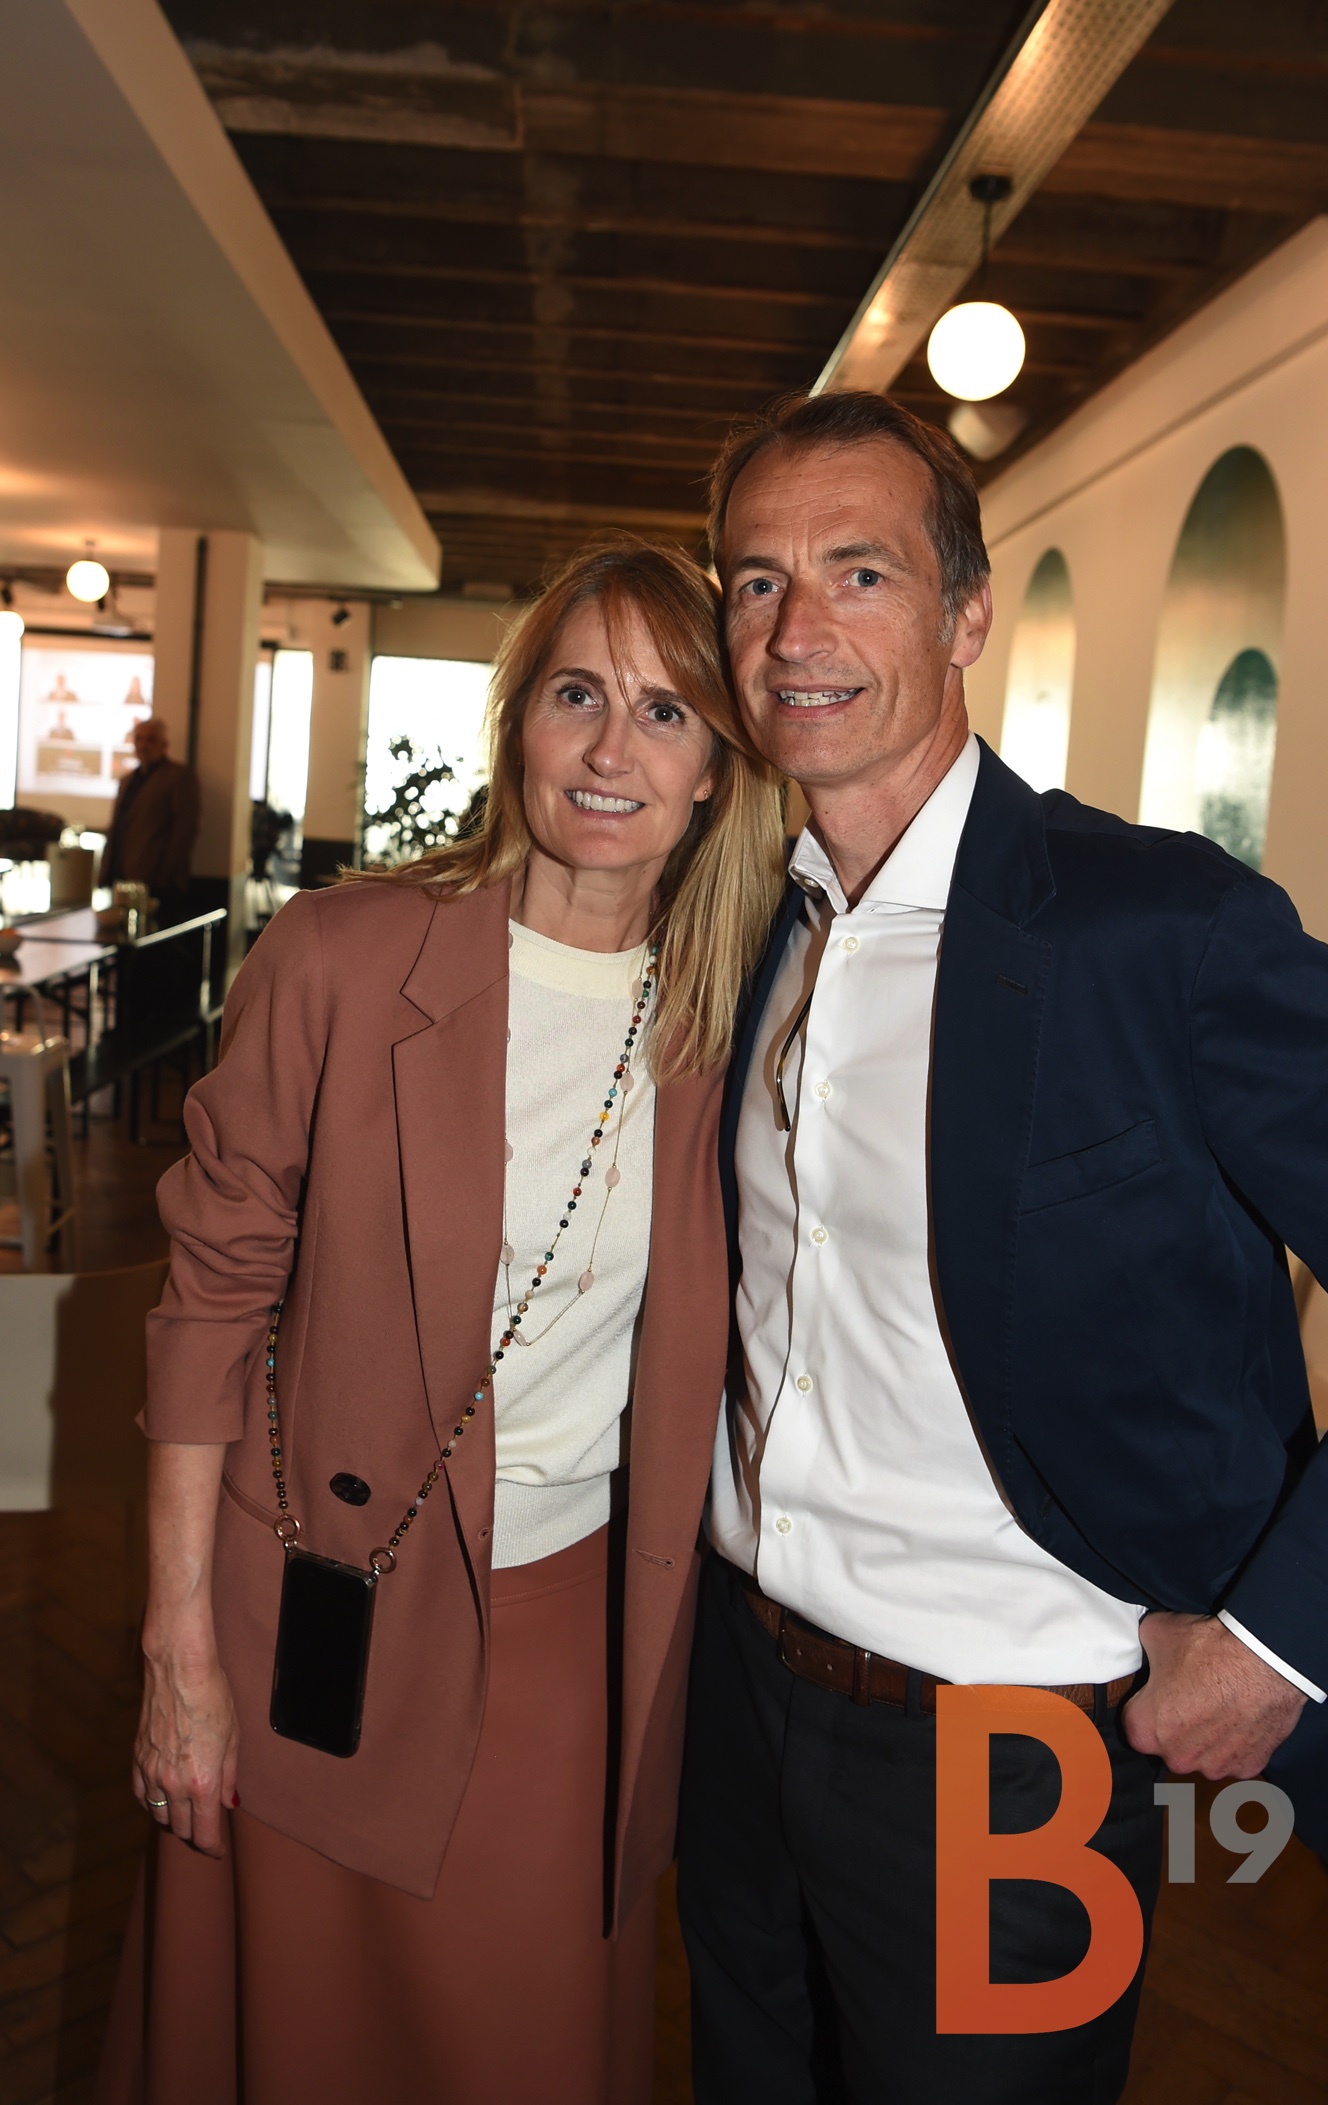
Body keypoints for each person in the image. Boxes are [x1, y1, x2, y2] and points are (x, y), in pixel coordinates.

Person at [676, 389, 1328, 2103]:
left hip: (1018, 1739)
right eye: (757, 581)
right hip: (740, 1692)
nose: (795, 630)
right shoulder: (754, 922)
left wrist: (1276, 1643)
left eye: (858, 572)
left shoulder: (1163, 930)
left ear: (966, 618)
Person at [95, 540, 784, 2105]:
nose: (611, 750)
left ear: (717, 772)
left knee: (517, 2035)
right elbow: (209, 1301)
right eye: (577, 694)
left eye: (667, 714)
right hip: (312, 1600)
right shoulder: (345, 954)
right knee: (293, 2028)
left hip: (574, 1628)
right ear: (518, 719)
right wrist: (176, 1643)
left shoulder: (732, 1017)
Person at [98, 716, 200, 902]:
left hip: (156, 883)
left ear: (164, 745)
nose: (143, 746)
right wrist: (105, 870)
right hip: (120, 878)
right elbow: (118, 826)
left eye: (151, 740)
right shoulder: (127, 780)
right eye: (139, 739)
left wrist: (165, 875)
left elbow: (185, 830)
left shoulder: (178, 777)